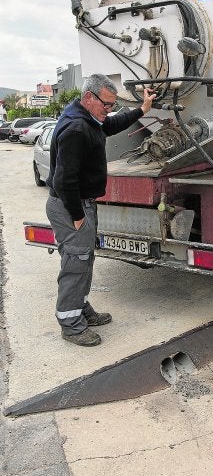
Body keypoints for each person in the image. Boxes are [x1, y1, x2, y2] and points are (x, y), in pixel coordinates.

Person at [46, 74, 156, 347]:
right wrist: (77, 215)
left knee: (84, 260)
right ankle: (71, 326)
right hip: (70, 206)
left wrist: (143, 109)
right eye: (106, 104)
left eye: (111, 104)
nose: (109, 110)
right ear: (88, 98)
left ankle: (80, 308)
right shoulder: (75, 129)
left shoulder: (90, 120)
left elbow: (113, 123)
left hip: (82, 204)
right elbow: (64, 180)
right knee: (75, 262)